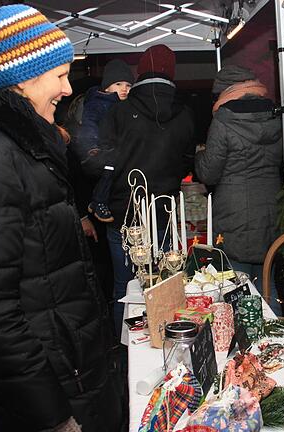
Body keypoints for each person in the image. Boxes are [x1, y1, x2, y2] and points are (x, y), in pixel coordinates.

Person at [0, 5, 121, 431]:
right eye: (59, 75)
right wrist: (53, 417)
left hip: (72, 372)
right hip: (50, 393)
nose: (67, 86)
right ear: (22, 78)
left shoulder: (28, 145)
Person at [96, 44, 195, 333]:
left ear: (140, 73)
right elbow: (188, 163)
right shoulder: (186, 113)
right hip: (163, 213)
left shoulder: (119, 111)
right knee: (164, 286)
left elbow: (103, 160)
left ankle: (127, 356)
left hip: (123, 214)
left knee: (125, 288)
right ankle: (162, 343)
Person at [194, 65, 283, 294]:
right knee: (267, 284)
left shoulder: (224, 120)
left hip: (234, 215)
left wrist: (200, 154)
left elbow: (208, 173)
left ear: (225, 91)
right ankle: (275, 329)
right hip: (271, 209)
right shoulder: (275, 115)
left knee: (235, 287)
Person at [68, 59, 134, 222]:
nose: (124, 89)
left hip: (110, 149)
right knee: (110, 171)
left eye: (128, 85)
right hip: (99, 151)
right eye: (118, 84)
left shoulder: (121, 105)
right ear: (107, 86)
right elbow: (89, 125)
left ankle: (97, 202)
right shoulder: (99, 103)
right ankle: (98, 202)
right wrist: (92, 147)